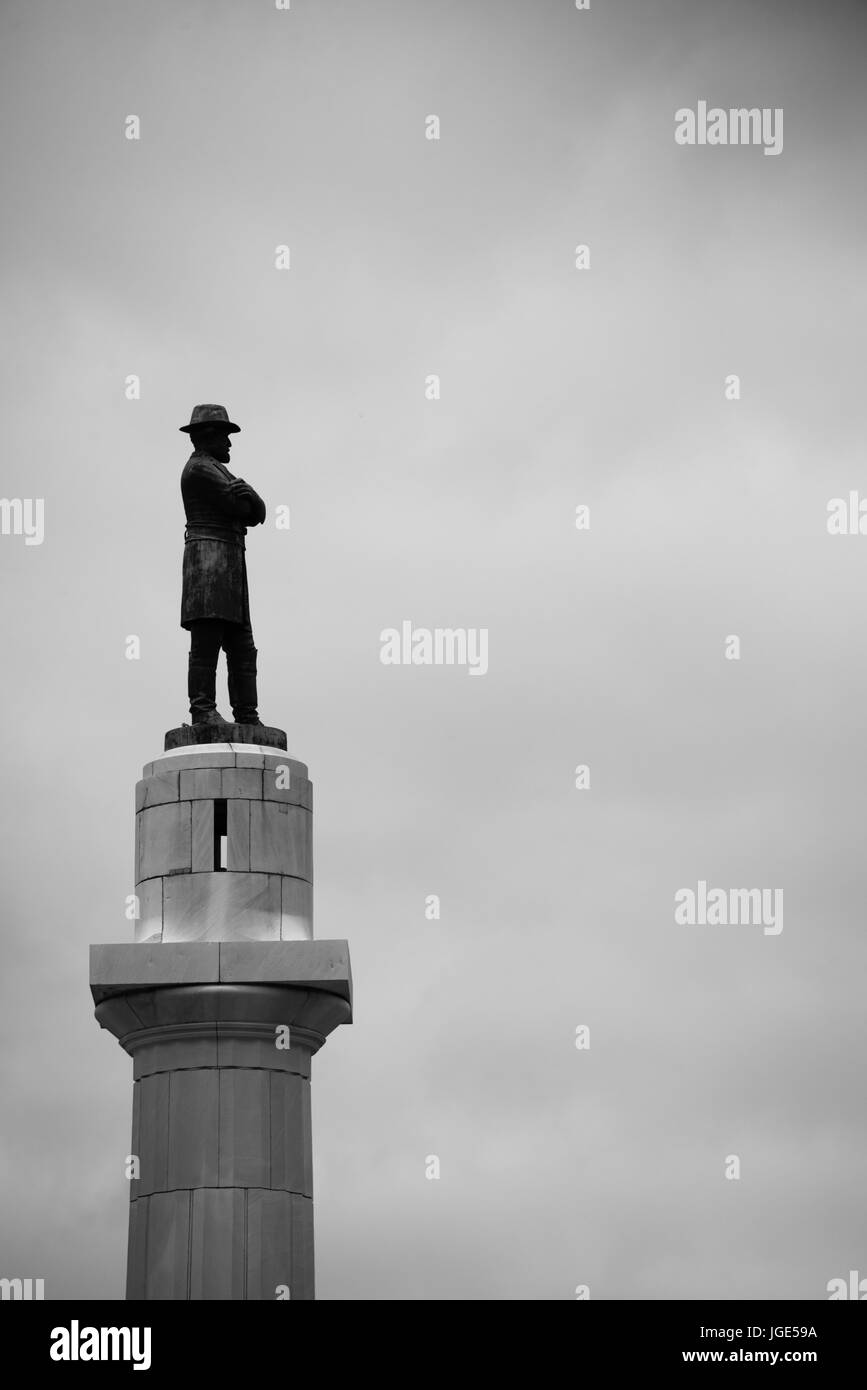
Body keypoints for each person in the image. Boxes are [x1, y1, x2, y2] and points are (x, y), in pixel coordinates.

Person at [178, 404, 267, 727]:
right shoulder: (201, 470)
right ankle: (203, 711)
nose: (230, 443)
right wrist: (252, 499)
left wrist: (254, 498)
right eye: (225, 437)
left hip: (229, 565)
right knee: (207, 641)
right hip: (207, 564)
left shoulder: (216, 468)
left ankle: (247, 715)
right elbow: (242, 507)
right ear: (208, 436)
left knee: (242, 646)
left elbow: (256, 514)